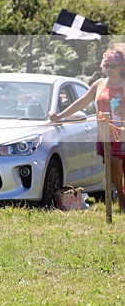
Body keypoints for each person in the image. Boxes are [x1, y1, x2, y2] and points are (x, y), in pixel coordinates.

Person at [49, 43, 125, 212]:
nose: (109, 69)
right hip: (107, 134)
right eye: (106, 65)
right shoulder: (99, 84)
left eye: (112, 66)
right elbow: (81, 102)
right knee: (114, 163)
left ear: (121, 67)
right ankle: (121, 195)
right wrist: (60, 116)